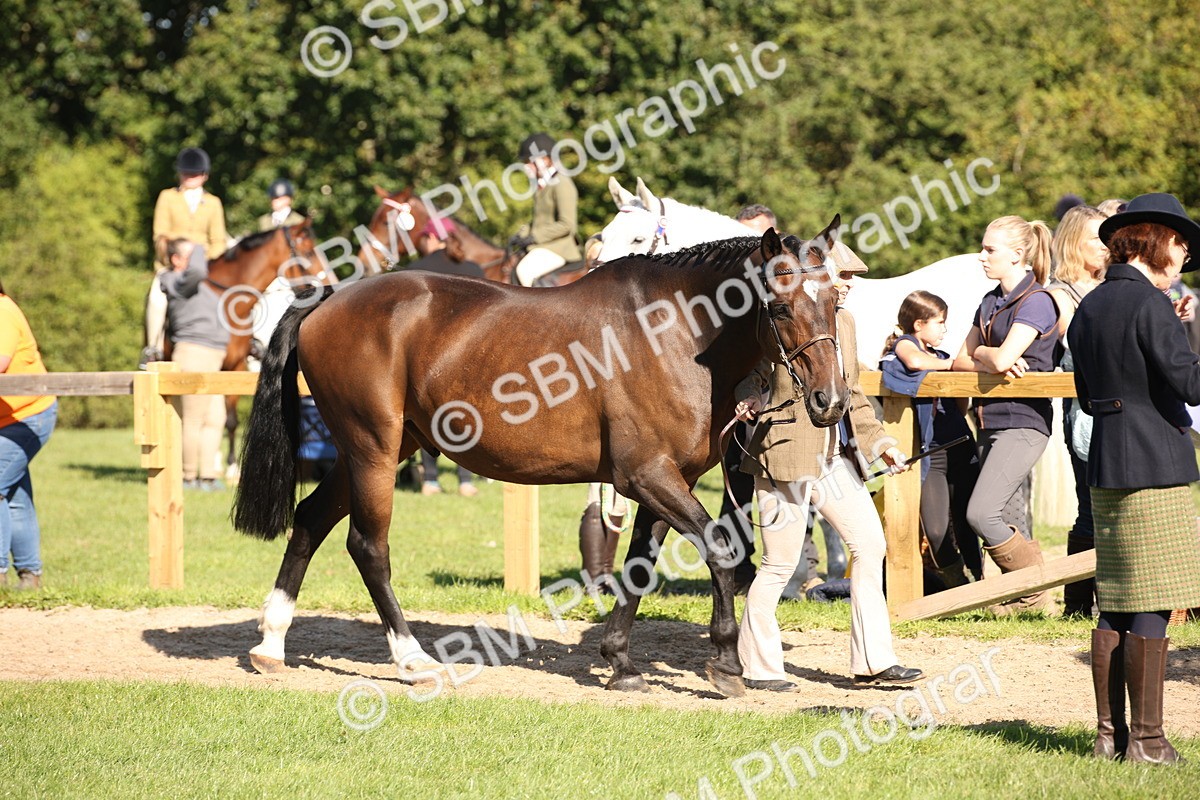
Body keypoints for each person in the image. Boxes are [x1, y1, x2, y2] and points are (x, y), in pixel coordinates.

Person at [734, 240, 922, 691]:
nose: (850, 284)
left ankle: (874, 661)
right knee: (779, 566)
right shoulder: (780, 316)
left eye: (855, 278)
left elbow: (852, 393)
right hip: (784, 453)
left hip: (832, 459)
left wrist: (881, 444)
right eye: (845, 276)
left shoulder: (846, 323)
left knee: (870, 546)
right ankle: (759, 666)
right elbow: (751, 372)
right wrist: (749, 396)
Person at [1068, 192, 1200, 764]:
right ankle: (1147, 742)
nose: (1186, 249)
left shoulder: (1089, 306)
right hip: (1156, 463)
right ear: (1153, 239)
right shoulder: (1151, 305)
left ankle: (1110, 738)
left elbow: (1086, 395)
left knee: (1116, 601)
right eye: (1179, 239)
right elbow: (1190, 385)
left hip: (1108, 462)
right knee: (1151, 599)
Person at [952, 215, 1059, 613]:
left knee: (981, 512)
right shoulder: (989, 301)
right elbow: (962, 360)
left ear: (1018, 255)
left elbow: (1003, 358)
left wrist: (989, 356)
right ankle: (1027, 603)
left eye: (990, 249)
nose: (981, 256)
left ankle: (1033, 595)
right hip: (989, 422)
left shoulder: (1038, 301)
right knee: (1008, 514)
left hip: (1024, 424)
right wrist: (987, 357)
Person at [880, 291, 981, 587]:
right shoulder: (905, 346)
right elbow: (912, 361)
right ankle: (958, 583)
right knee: (936, 530)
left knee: (967, 521)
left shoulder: (938, 356)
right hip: (933, 453)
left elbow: (960, 407)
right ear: (919, 324)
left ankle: (980, 579)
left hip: (961, 446)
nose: (944, 330)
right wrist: (956, 367)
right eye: (940, 323)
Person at [1047, 205, 1109, 616]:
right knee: (1089, 505)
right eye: (1096, 239)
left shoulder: (1111, 286)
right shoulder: (1059, 293)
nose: (1105, 248)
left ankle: (1116, 599)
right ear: (1073, 243)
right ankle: (1077, 605)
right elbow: (1074, 342)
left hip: (1119, 410)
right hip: (1084, 413)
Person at [721, 204, 780, 594]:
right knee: (736, 485)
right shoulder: (728, 289)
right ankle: (738, 569)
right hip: (737, 400)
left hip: (777, 401)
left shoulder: (783, 280)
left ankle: (798, 570)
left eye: (755, 238)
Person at [144, 147, 227, 367]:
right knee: (156, 297)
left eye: (196, 173)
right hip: (173, 265)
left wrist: (202, 261)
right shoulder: (168, 197)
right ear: (180, 174)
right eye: (187, 173)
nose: (191, 177)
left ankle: (253, 343)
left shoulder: (214, 203)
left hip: (205, 267)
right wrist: (175, 258)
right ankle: (153, 347)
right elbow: (159, 235)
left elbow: (218, 240)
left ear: (204, 175)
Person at [0, 283, 57, 590]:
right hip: (9, 418)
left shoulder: (2, 311)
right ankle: (30, 577)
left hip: (28, 415)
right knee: (13, 492)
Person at [160, 239, 230, 490]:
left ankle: (208, 476)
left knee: (215, 418)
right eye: (191, 255)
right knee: (193, 418)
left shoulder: (200, 287)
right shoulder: (173, 280)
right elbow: (198, 270)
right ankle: (188, 476)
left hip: (214, 356)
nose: (200, 259)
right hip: (193, 354)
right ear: (176, 260)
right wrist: (202, 244)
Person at [511, 133, 582, 287]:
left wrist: (534, 237)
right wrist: (521, 235)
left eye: (528, 162)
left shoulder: (562, 183)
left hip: (559, 248)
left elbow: (567, 225)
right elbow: (539, 220)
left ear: (545, 160)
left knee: (524, 271)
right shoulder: (542, 185)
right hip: (543, 245)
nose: (525, 167)